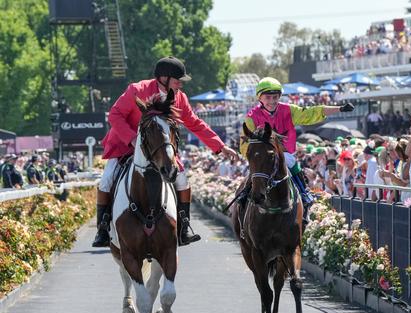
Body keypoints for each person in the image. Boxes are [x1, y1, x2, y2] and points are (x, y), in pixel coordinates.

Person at [92, 56, 238, 248]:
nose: (180, 85)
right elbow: (114, 115)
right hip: (126, 146)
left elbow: (195, 123)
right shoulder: (137, 90)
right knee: (106, 180)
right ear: (163, 78)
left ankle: (184, 227)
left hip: (160, 151)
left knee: (183, 181)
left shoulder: (179, 98)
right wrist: (133, 138)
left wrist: (220, 146)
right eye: (177, 80)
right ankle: (102, 229)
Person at [237, 77, 355, 223]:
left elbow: (312, 112)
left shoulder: (289, 110)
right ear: (259, 97)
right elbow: (244, 144)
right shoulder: (251, 117)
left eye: (275, 97)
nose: (272, 101)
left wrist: (340, 108)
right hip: (263, 156)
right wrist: (254, 156)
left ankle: (303, 192)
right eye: (268, 97)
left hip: (285, 153)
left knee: (289, 159)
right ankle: (245, 195)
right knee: (259, 168)